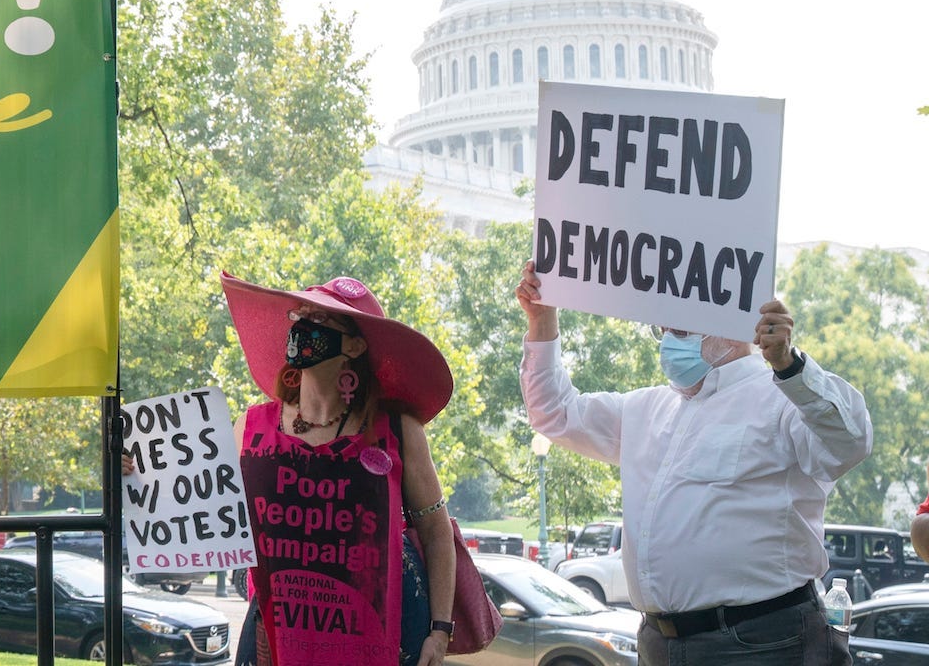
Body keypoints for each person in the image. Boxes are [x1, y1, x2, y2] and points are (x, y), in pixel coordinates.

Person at [517, 261, 871, 666]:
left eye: (681, 331)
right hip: (659, 642)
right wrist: (542, 320)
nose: (668, 341)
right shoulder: (646, 408)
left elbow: (850, 442)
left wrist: (790, 366)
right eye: (663, 330)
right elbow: (554, 413)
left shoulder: (782, 398)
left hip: (762, 642)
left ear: (733, 330)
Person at [221, 273, 457, 666]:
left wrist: (440, 631)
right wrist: (140, 472)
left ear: (354, 345)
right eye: (300, 315)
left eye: (319, 321)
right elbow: (204, 506)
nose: (301, 327)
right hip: (277, 637)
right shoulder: (251, 427)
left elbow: (436, 533)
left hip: (385, 637)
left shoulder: (399, 431)